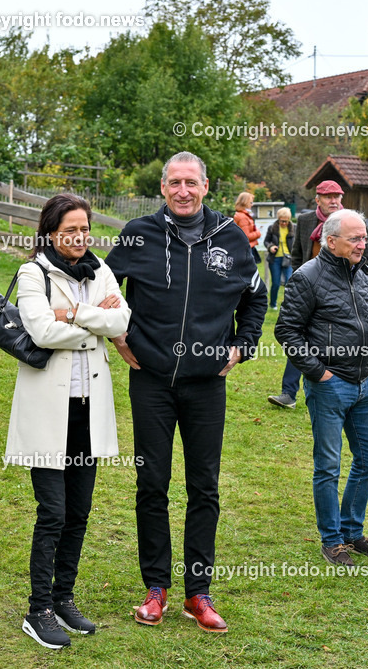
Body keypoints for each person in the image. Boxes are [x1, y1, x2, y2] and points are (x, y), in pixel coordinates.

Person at [105, 151, 267, 633]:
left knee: (204, 487)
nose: (182, 191)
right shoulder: (138, 234)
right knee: (151, 485)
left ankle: (199, 593)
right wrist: (117, 335)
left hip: (205, 385)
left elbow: (256, 296)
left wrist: (243, 346)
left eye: (190, 183)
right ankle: (156, 589)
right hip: (151, 380)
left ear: (205, 186)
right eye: (174, 182)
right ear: (162, 187)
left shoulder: (231, 237)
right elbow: (103, 285)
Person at [4, 193, 131, 650]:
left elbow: (122, 322)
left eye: (84, 229)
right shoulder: (33, 271)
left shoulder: (100, 269)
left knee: (78, 511)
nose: (78, 238)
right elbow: (40, 330)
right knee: (53, 512)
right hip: (48, 409)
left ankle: (64, 598)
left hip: (88, 410)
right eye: (69, 230)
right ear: (51, 232)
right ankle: (38, 610)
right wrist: (96, 323)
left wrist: (75, 314)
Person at [274, 210, 368, 568]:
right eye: (355, 238)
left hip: (364, 385)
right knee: (328, 465)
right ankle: (331, 541)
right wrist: (319, 373)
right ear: (331, 240)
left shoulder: (365, 273)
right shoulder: (307, 277)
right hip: (330, 386)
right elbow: (287, 331)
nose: (362, 244)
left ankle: (351, 532)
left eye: (364, 238)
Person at [267, 180, 368, 409]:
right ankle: (289, 393)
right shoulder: (305, 221)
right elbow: (297, 255)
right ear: (317, 200)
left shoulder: (352, 222)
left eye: (337, 196)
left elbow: (366, 262)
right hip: (309, 289)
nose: (333, 200)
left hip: (340, 296)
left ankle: (336, 387)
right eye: (327, 197)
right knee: (297, 336)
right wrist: (299, 284)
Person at [263, 207, 294, 310]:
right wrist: (270, 247)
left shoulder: (294, 228)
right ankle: (273, 304)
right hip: (275, 258)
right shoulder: (272, 228)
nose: (284, 223)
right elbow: (266, 241)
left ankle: (288, 305)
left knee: (289, 282)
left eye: (286, 221)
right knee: (276, 283)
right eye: (282, 221)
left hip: (288, 258)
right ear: (278, 219)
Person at [233, 191, 262, 264]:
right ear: (245, 203)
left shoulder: (243, 215)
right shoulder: (243, 217)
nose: (252, 205)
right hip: (246, 248)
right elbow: (246, 236)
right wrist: (258, 233)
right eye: (251, 203)